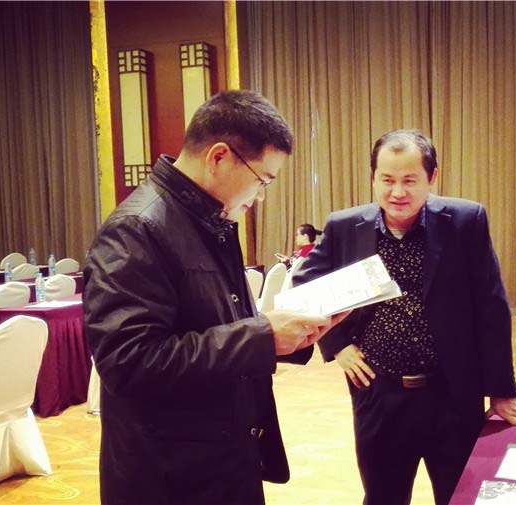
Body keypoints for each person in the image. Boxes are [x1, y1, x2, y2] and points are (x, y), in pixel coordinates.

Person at [83, 90, 346, 504]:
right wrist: (262, 336)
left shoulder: (209, 221)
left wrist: (289, 336)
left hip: (224, 457)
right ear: (219, 157)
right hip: (170, 476)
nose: (260, 196)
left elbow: (217, 328)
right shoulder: (136, 229)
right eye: (262, 180)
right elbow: (128, 363)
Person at [293, 129, 516, 505]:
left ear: (432, 178)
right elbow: (305, 285)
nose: (397, 192)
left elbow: (492, 305)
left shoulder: (464, 220)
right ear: (373, 178)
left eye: (409, 180)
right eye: (387, 180)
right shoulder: (345, 226)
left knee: (459, 496)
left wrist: (501, 390)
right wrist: (337, 344)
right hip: (379, 393)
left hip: (453, 393)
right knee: (383, 496)